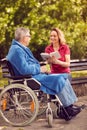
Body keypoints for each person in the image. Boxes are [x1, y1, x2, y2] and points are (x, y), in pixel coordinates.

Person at [6, 27, 81, 120]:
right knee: (59, 78)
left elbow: (28, 65)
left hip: (33, 75)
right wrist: (40, 69)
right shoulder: (17, 50)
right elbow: (24, 69)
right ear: (24, 37)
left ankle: (67, 108)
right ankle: (67, 109)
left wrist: (43, 67)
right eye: (29, 36)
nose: (30, 38)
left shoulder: (19, 48)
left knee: (62, 77)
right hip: (30, 77)